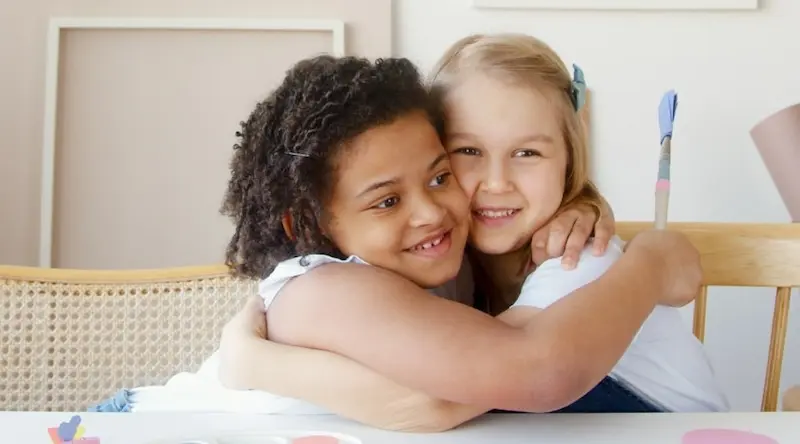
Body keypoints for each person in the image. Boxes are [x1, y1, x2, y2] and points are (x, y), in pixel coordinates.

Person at [89, 52, 701, 419]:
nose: (432, 212)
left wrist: (589, 206)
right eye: (386, 200)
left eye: (438, 176)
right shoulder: (324, 290)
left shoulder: (458, 266)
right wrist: (651, 264)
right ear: (308, 225)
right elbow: (516, 375)